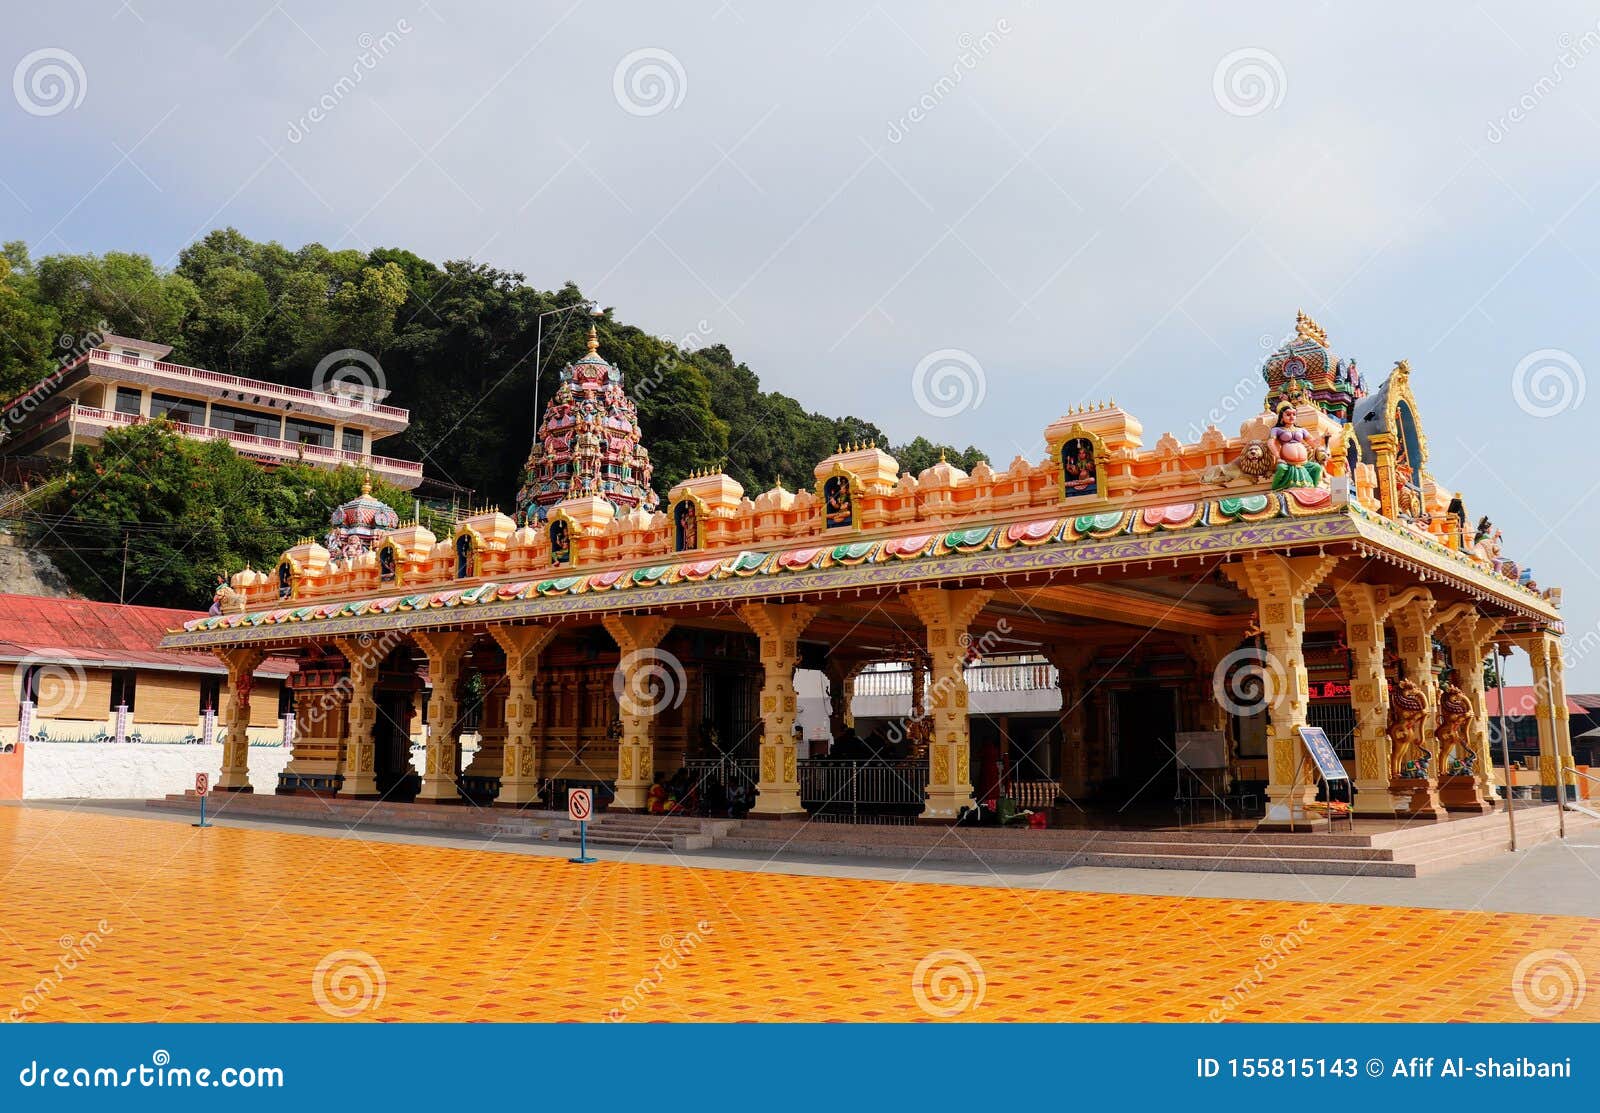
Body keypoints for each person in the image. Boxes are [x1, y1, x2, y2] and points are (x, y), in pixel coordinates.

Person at [1268, 404, 1324, 491]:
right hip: (1287, 462)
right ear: (1281, 417)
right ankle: (1274, 488)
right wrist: (1278, 457)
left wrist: (1323, 438)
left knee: (1316, 467)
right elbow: (1271, 442)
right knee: (1281, 468)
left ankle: (1314, 487)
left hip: (1303, 462)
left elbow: (1312, 443)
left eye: (1294, 414)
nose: (1292, 416)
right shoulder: (1277, 430)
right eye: (1288, 414)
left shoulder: (1301, 430)